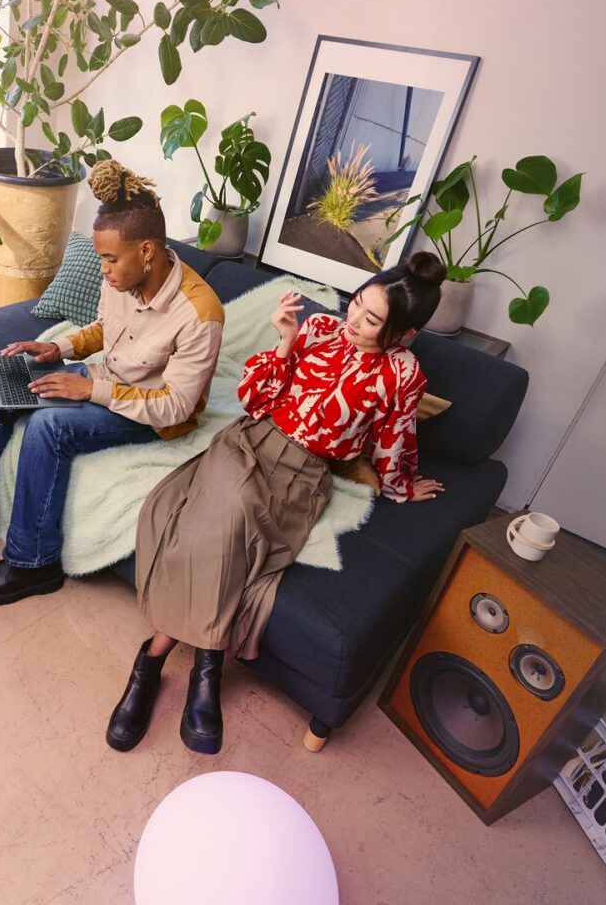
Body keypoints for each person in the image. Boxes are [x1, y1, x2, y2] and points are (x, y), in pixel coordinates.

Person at [107, 251, 449, 754]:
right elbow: (253, 398)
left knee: (234, 533)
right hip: (249, 443)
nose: (353, 320)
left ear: (403, 334)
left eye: (372, 319)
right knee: (227, 516)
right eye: (356, 304)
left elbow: (394, 439)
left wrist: (402, 486)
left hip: (304, 475)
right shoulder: (317, 330)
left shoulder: (402, 375)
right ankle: (199, 667)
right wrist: (287, 342)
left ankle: (154, 660)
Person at [0, 160, 225, 605]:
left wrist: (90, 390)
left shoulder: (199, 314)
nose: (103, 269)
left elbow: (174, 406)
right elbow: (104, 329)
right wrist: (59, 349)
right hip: (106, 378)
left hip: (150, 412)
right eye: (100, 258)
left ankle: (31, 562)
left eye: (110, 259)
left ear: (149, 251)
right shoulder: (120, 277)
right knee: (1, 380)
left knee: (49, 427)